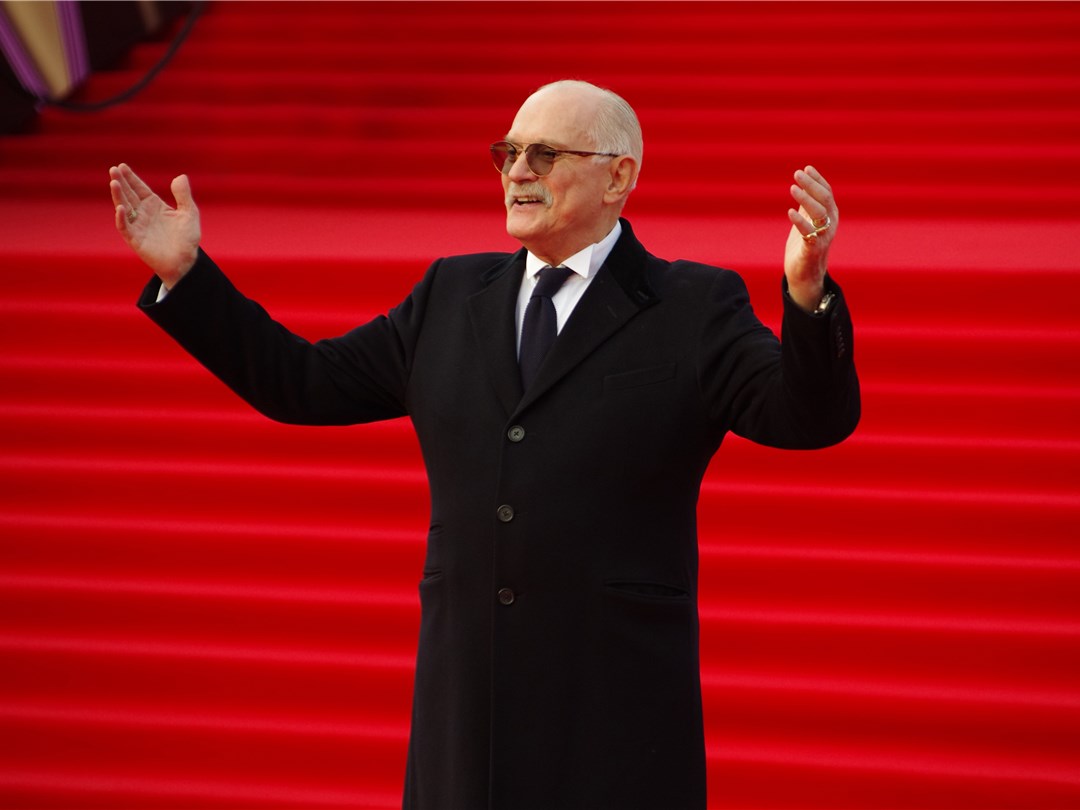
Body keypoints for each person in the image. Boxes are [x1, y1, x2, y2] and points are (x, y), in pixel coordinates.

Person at [109, 79, 859, 810]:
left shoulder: (691, 305)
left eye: (545, 154)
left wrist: (807, 295)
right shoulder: (449, 295)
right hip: (467, 699)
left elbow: (806, 419)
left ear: (618, 176)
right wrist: (187, 275)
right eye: (508, 153)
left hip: (613, 700)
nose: (518, 171)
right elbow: (301, 384)